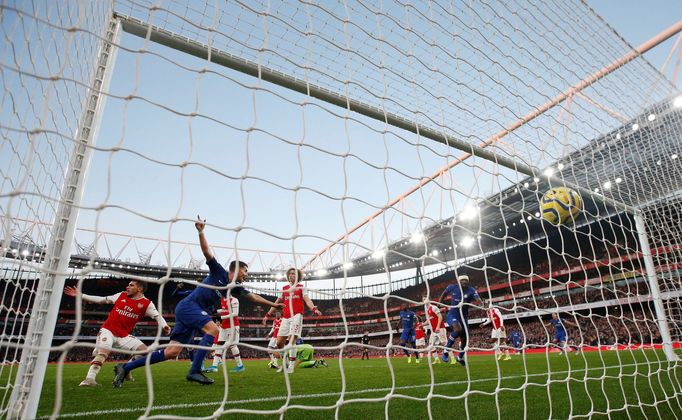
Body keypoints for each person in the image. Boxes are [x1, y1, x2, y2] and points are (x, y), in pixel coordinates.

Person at [113, 216, 282, 387]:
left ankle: (125, 367)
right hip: (189, 307)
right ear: (236, 270)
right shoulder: (219, 272)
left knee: (172, 352)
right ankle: (194, 371)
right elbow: (207, 252)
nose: (246, 275)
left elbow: (253, 297)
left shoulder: (234, 287)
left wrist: (273, 305)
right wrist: (201, 232)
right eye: (245, 271)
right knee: (214, 329)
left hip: (191, 311)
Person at [63, 280, 171, 387]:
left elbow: (157, 316)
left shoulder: (146, 303)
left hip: (124, 335)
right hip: (108, 330)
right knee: (104, 352)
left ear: (139, 289)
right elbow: (102, 300)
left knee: (145, 351)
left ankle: (126, 368)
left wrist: (164, 326)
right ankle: (89, 379)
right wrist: (81, 295)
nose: (127, 287)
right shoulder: (121, 295)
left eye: (131, 285)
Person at [262, 267, 321, 374]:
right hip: (286, 317)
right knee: (279, 343)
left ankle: (291, 366)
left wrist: (314, 309)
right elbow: (276, 303)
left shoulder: (301, 287)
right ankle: (286, 362)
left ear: (298, 276)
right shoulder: (284, 288)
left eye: (293, 273)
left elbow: (307, 300)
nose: (291, 275)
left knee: (292, 339)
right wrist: (267, 315)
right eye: (290, 274)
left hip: (297, 316)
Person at [438, 274, 483, 367]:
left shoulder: (471, 290)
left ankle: (459, 357)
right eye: (462, 280)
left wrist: (481, 303)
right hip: (452, 314)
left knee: (465, 340)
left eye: (466, 280)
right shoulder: (452, 287)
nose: (464, 282)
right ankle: (446, 351)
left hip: (464, 317)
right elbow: (444, 293)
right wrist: (440, 302)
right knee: (458, 330)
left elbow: (477, 298)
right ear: (458, 281)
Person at [203, 294, 243, 373]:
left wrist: (221, 317)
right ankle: (214, 366)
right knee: (219, 344)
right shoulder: (223, 299)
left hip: (233, 326)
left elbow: (235, 313)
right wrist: (217, 311)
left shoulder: (234, 300)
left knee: (233, 345)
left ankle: (240, 366)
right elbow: (225, 310)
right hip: (224, 326)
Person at [426, 300, 449, 364]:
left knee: (444, 343)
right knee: (431, 345)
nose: (424, 300)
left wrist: (438, 326)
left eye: (425, 298)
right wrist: (422, 324)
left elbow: (440, 317)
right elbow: (428, 321)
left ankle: (452, 359)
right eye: (423, 299)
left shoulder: (433, 307)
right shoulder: (427, 310)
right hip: (433, 331)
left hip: (440, 328)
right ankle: (436, 359)